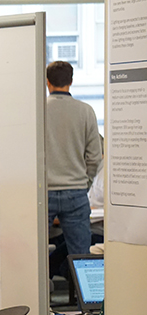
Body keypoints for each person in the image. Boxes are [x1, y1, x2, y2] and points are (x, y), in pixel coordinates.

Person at [45, 61, 102, 262]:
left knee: (34, 256)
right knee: (82, 258)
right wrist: (84, 183)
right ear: (71, 81)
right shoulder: (86, 111)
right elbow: (95, 156)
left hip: (43, 193)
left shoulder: (38, 110)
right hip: (76, 193)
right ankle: (81, 294)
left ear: (47, 81)